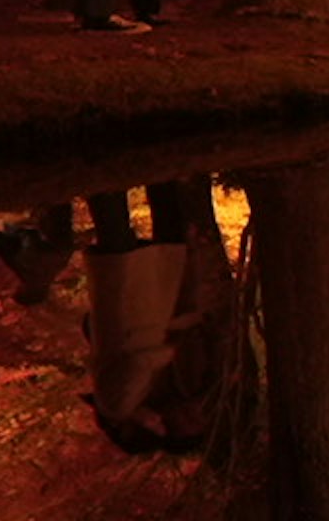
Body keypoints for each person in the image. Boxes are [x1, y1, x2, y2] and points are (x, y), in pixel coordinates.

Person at [81, 178, 230, 453]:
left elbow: (138, 361)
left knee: (117, 234)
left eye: (156, 426)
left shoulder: (120, 404)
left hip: (130, 310)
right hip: (148, 305)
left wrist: (169, 348)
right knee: (144, 233)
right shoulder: (163, 391)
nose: (158, 420)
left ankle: (103, 168)